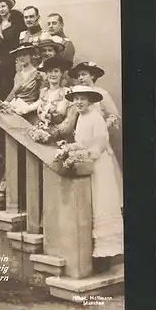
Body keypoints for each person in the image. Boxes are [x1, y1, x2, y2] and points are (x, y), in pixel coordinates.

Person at [65, 85, 123, 272]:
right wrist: (71, 148)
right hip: (89, 164)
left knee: (101, 204)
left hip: (99, 167)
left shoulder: (96, 117)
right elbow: (82, 141)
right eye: (76, 99)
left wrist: (83, 153)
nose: (78, 102)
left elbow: (99, 144)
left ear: (90, 101)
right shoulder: (81, 117)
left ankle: (105, 256)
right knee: (90, 205)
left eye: (82, 99)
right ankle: (95, 254)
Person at [68, 61, 123, 200]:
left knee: (102, 176)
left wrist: (102, 125)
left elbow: (114, 115)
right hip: (82, 134)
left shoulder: (101, 93)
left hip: (98, 136)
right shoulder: (77, 94)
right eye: (79, 75)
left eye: (84, 74)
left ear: (92, 76)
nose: (80, 78)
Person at [0, 0, 26, 100]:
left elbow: (20, 41)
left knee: (7, 85)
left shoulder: (17, 23)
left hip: (12, 57)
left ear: (9, 7)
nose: (1, 9)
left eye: (3, 6)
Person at [31, 55, 78, 143]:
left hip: (61, 140)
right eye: (49, 71)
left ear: (61, 73)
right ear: (46, 74)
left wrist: (52, 133)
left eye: (56, 71)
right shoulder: (43, 92)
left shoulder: (68, 93)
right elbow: (39, 115)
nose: (53, 74)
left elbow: (69, 122)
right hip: (42, 136)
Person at [4, 44, 44, 121]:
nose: (21, 58)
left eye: (24, 55)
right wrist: (5, 103)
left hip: (29, 110)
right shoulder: (18, 74)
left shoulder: (39, 74)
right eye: (19, 55)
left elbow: (42, 97)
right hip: (15, 107)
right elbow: (14, 92)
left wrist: (28, 108)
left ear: (31, 56)